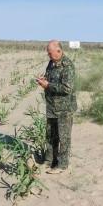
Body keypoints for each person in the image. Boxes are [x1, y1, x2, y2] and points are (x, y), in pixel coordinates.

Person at [36, 40, 78, 174]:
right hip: (52, 107)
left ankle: (62, 165)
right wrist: (43, 79)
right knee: (50, 135)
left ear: (59, 51)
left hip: (64, 109)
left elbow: (67, 88)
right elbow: (50, 77)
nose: (48, 56)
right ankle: (49, 161)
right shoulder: (51, 63)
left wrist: (48, 85)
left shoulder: (67, 66)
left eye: (50, 53)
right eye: (48, 53)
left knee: (63, 137)